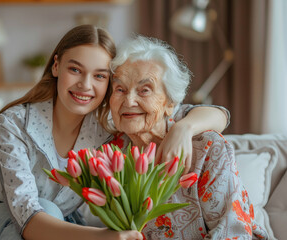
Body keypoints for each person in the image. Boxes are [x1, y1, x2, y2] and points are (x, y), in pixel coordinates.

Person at [0, 25, 228, 240]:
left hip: (58, 226)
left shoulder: (110, 127)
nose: (86, 85)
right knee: (42, 211)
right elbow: (28, 214)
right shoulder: (13, 124)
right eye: (75, 70)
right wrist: (104, 237)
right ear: (56, 66)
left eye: (100, 76)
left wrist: (184, 128)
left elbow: (209, 114)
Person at [104, 35, 268, 239]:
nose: (129, 100)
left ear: (170, 103)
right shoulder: (110, 154)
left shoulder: (207, 148)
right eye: (120, 89)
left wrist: (183, 128)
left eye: (145, 90)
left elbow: (231, 232)